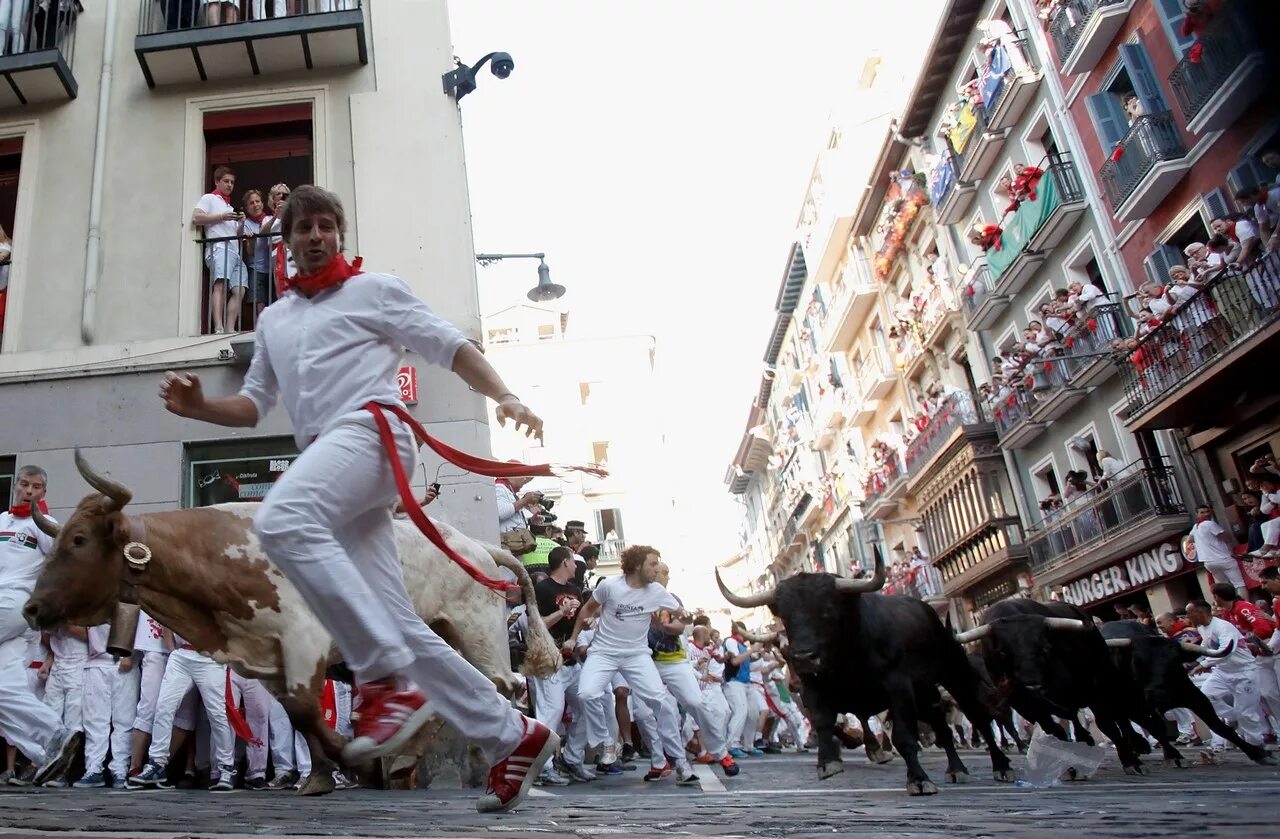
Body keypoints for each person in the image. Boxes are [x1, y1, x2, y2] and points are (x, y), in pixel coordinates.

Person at [158, 185, 555, 813]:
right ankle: (514, 734)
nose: (315, 236)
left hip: (375, 432)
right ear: (284, 241)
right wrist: (201, 406)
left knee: (282, 520)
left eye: (326, 225)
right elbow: (255, 404)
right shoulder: (274, 320)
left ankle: (381, 676)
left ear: (340, 233)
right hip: (331, 458)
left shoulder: (376, 291)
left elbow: (449, 346)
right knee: (395, 619)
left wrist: (504, 394)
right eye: (303, 228)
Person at [565, 545, 698, 785]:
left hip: (637, 655)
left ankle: (680, 762)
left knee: (662, 704)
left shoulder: (657, 591)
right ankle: (607, 742)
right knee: (586, 694)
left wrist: (686, 617)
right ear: (637, 565)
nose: (657, 569)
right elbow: (587, 609)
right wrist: (574, 637)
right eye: (653, 564)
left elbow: (680, 614)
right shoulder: (609, 587)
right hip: (603, 652)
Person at [0, 465, 82, 787]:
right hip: (11, 625)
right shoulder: (1, 521)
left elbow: (65, 567)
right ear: (16, 487)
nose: (29, 491)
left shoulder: (46, 526)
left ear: (44, 493)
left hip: (13, 604)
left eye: (36, 487)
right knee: (4, 690)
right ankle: (51, 741)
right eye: (24, 484)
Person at [650, 562, 738, 777]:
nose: (666, 577)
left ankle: (721, 753)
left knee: (696, 703)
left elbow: (679, 626)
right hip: (645, 662)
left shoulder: (671, 600)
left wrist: (660, 626)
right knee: (651, 713)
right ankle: (669, 762)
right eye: (663, 572)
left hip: (674, 661)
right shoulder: (633, 596)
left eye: (666, 572)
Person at [528, 546, 586, 785]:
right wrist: (561, 612)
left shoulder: (575, 590)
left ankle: (572, 758)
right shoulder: (542, 590)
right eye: (573, 561)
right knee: (550, 713)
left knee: (587, 704)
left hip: (571, 661)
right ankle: (542, 767)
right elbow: (536, 624)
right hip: (548, 660)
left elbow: (580, 621)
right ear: (564, 562)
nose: (575, 566)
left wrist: (579, 632)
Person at [1185, 599, 1266, 753]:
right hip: (1222, 672)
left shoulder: (1223, 627)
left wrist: (1204, 664)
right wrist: (1195, 661)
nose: (1188, 616)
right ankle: (1234, 717)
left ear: (1201, 612)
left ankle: (1257, 746)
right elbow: (1205, 648)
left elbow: (1225, 651)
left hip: (1244, 672)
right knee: (1205, 696)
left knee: (1247, 714)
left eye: (1190, 613)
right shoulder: (1203, 628)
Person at [74, 624, 139, 788]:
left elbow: (136, 622)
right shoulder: (90, 603)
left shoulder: (129, 598)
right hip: (96, 662)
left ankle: (120, 769)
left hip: (124, 663)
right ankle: (93, 769)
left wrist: (128, 653)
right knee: (94, 720)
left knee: (124, 720)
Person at [191, 166, 249, 334]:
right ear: (217, 181)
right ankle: (218, 326)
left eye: (232, 182)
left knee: (240, 290)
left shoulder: (229, 207)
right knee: (220, 286)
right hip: (219, 248)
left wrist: (241, 223)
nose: (229, 185)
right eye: (226, 181)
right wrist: (221, 217)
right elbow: (196, 218)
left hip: (234, 252)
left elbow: (237, 235)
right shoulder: (209, 198)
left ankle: (230, 329)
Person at [1188, 505, 1248, 599]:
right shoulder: (1209, 523)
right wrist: (1232, 549)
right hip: (1224, 559)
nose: (1206, 514)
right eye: (1202, 512)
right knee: (1239, 584)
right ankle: (1245, 605)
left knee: (1226, 586)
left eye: (1207, 511)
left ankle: (1232, 608)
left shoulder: (1195, 527)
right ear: (1197, 514)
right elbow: (1225, 537)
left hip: (1209, 563)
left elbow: (1189, 540)